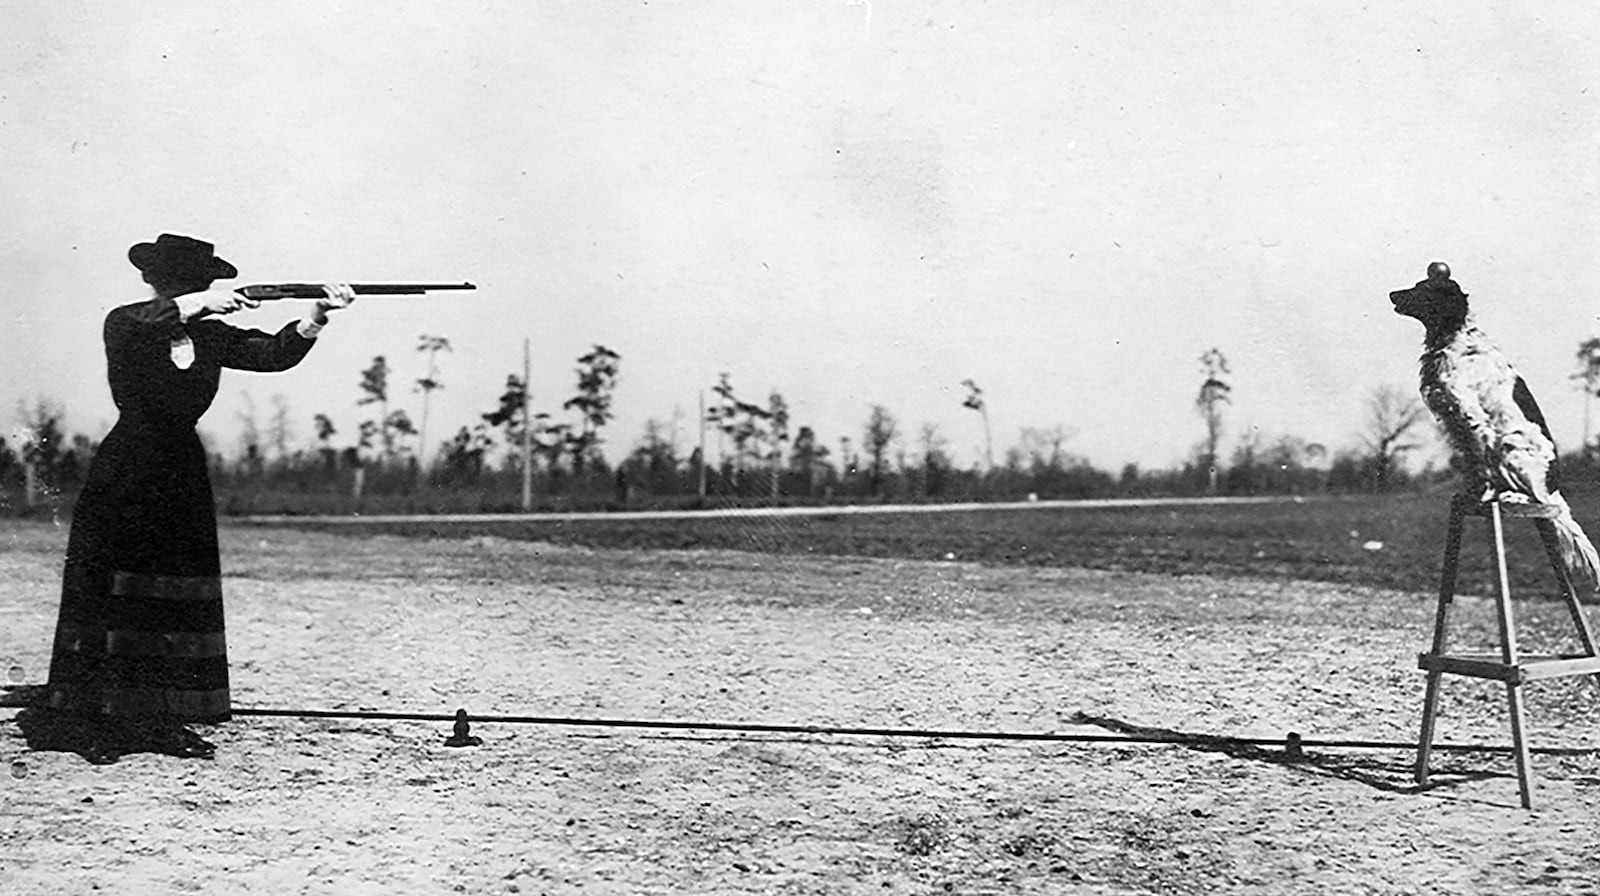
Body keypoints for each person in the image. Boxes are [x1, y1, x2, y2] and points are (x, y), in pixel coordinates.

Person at [29, 233, 355, 763]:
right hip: (129, 464)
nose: (201, 290)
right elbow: (145, 323)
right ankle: (95, 717)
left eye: (202, 284)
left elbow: (272, 355)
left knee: (173, 587)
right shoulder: (126, 322)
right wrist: (196, 304)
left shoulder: (211, 334)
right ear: (161, 283)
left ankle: (163, 716)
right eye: (191, 284)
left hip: (179, 467)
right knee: (115, 582)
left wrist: (316, 315)